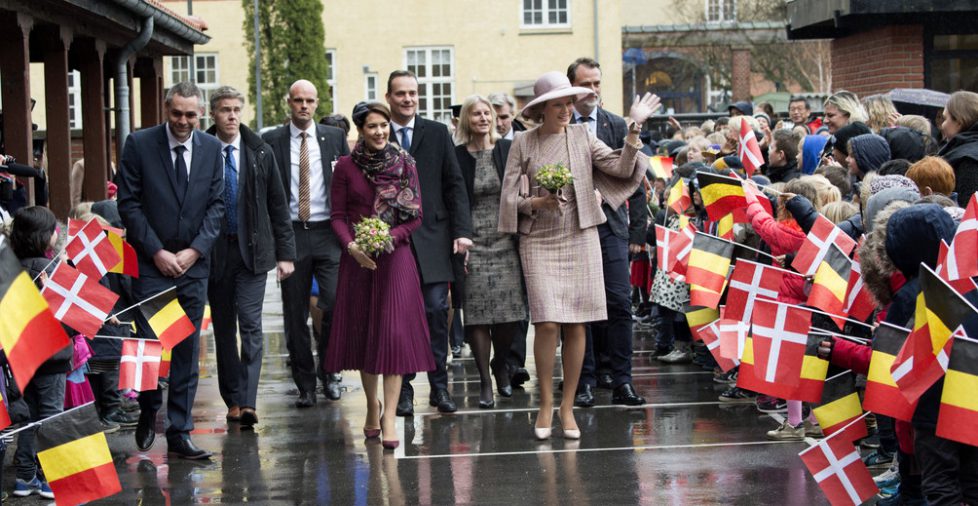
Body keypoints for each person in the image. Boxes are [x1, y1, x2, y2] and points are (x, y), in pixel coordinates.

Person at [498, 71, 655, 439]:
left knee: (577, 323)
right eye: (559, 104)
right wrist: (535, 201)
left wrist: (633, 129)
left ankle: (568, 408)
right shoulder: (523, 142)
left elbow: (619, 167)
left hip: (580, 236)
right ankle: (545, 407)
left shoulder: (584, 135)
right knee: (548, 322)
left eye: (569, 103)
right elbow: (507, 198)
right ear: (542, 109)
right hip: (539, 239)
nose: (567, 109)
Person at [116, 81, 224, 460]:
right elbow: (128, 204)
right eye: (177, 113)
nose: (183, 121)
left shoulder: (211, 148)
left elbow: (217, 205)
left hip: (193, 267)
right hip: (152, 266)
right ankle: (148, 408)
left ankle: (179, 431)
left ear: (201, 114)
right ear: (166, 109)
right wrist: (157, 251)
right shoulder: (140, 144)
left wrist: (195, 251)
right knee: (150, 346)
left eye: (191, 115)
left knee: (185, 348)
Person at [324, 101, 434, 450]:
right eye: (372, 126)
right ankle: (372, 405)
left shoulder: (405, 164)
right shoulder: (344, 166)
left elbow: (415, 216)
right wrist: (352, 247)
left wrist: (390, 237)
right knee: (365, 334)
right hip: (357, 259)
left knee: (394, 335)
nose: (380, 132)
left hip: (396, 258)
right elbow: (338, 216)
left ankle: (389, 417)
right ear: (360, 129)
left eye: (384, 125)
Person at [205, 86, 296, 427]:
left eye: (236, 109)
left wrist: (286, 253)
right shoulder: (202, 150)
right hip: (215, 252)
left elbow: (278, 204)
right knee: (225, 329)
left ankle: (248, 400)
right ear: (212, 114)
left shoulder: (259, 151)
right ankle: (231, 398)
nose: (231, 115)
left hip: (254, 253)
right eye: (225, 109)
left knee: (251, 324)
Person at [385, 70, 473, 416]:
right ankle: (405, 389)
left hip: (435, 239)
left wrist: (461, 231)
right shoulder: (379, 133)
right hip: (394, 242)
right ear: (390, 97)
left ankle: (439, 385)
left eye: (413, 93)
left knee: (436, 310)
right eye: (401, 93)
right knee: (402, 317)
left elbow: (454, 185)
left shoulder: (436, 133)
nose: (408, 99)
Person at [262, 79, 350, 407]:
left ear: (317, 103)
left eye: (309, 101)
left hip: (328, 232)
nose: (304, 106)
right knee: (294, 313)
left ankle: (330, 370)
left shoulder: (334, 138)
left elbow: (347, 183)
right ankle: (305, 383)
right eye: (298, 100)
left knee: (333, 303)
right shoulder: (271, 141)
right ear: (289, 102)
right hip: (292, 234)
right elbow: (267, 192)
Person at [567, 57, 648, 407]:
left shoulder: (616, 124)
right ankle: (582, 381)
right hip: (571, 229)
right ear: (573, 87)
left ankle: (621, 380)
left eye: (598, 83)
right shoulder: (560, 125)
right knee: (580, 308)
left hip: (612, 227)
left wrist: (637, 235)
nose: (594, 90)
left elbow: (635, 181)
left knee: (618, 303)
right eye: (587, 84)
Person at [453, 95, 527, 408]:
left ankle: (502, 363)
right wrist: (459, 236)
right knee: (477, 314)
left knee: (511, 313)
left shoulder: (508, 150)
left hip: (505, 239)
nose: (483, 118)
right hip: (472, 242)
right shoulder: (457, 155)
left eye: (487, 113)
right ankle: (484, 380)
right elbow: (453, 197)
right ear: (466, 121)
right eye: (476, 114)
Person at [8, 206, 70, 499]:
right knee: (52, 416)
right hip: (52, 358)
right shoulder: (56, 270)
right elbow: (71, 317)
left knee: (28, 418)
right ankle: (51, 478)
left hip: (19, 357)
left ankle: (24, 476)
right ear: (47, 238)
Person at [937, 90, 978, 206]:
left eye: (945, 119)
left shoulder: (968, 160)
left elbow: (970, 209)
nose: (942, 125)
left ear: (959, 121)